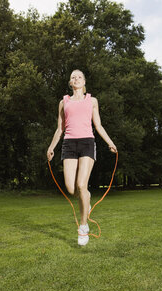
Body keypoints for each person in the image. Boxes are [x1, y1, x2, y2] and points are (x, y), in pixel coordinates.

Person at [47, 69, 117, 246]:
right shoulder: (63, 102)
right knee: (71, 189)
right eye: (73, 77)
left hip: (87, 142)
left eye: (79, 76)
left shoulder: (92, 101)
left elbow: (98, 125)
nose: (76, 78)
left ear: (84, 82)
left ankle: (84, 226)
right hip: (69, 144)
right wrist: (51, 147)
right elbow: (59, 128)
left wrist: (110, 142)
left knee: (81, 184)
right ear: (70, 83)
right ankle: (86, 197)